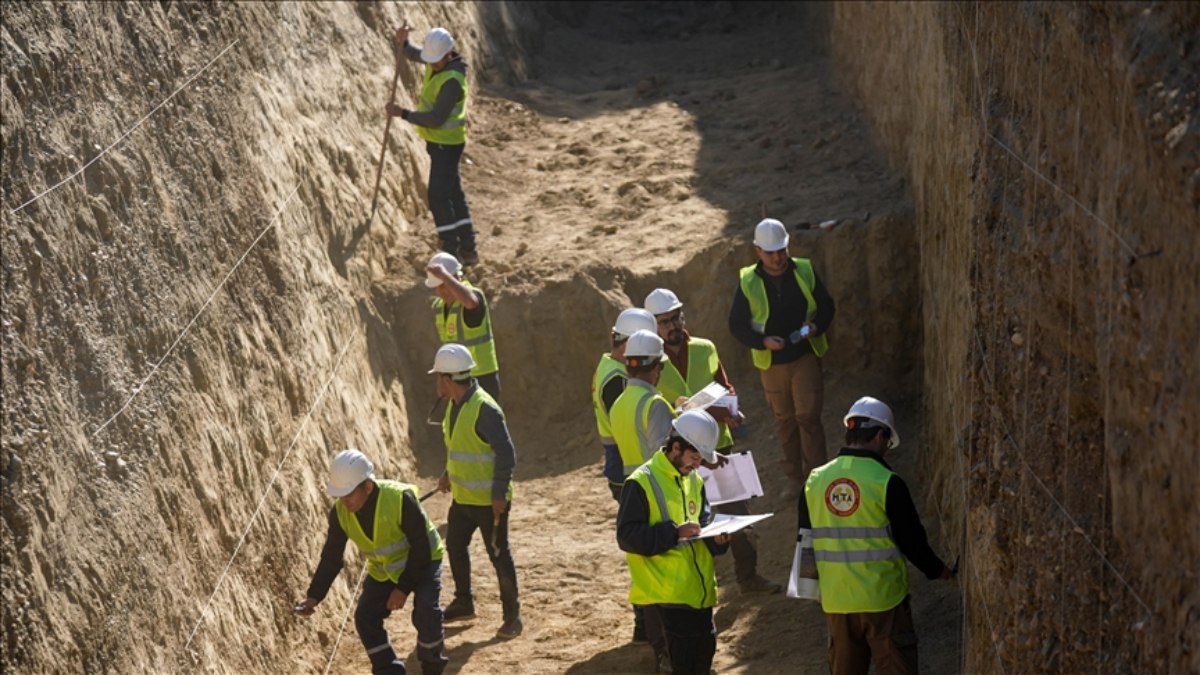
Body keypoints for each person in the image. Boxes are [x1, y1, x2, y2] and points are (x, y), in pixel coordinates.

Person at [799, 397, 955, 675]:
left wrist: (813, 591)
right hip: (883, 601)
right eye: (887, 442)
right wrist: (939, 570)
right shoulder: (887, 481)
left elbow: (805, 541)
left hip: (837, 604)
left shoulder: (814, 480)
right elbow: (912, 541)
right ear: (881, 435)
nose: (886, 449)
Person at [645, 288, 782, 596]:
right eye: (663, 322)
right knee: (689, 516)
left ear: (683, 317)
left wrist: (731, 410)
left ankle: (748, 577)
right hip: (679, 454)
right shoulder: (653, 362)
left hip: (718, 444)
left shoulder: (706, 348)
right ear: (654, 326)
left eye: (674, 319)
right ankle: (700, 584)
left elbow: (724, 386)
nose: (671, 326)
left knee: (737, 512)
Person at [295, 449, 448, 675]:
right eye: (339, 495)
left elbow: (421, 549)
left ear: (367, 487)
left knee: (426, 610)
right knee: (365, 617)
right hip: (384, 570)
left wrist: (402, 589)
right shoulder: (340, 513)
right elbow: (331, 557)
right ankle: (389, 671)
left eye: (348, 494)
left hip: (424, 560)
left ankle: (433, 665)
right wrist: (314, 596)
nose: (343, 501)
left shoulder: (399, 499)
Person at [728, 217, 836, 499]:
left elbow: (826, 306)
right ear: (757, 251)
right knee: (786, 421)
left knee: (808, 417)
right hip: (772, 363)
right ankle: (794, 479)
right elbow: (737, 325)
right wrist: (762, 341)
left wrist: (816, 327)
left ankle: (816, 478)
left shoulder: (804, 270)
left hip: (804, 355)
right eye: (770, 252)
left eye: (781, 251)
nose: (777, 258)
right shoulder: (748, 281)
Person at [617, 410, 732, 675]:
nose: (697, 464)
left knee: (703, 657)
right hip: (666, 595)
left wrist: (718, 540)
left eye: (701, 458)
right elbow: (627, 536)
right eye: (694, 457)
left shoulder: (694, 480)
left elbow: (702, 524)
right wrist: (674, 533)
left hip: (699, 591)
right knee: (682, 665)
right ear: (676, 447)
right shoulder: (640, 482)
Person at [428, 343, 523, 639]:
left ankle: (512, 617)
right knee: (455, 546)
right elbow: (461, 446)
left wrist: (498, 495)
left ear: (446, 378)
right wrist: (447, 474)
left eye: (437, 376)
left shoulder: (485, 409)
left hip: (488, 502)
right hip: (464, 500)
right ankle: (464, 601)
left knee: (499, 555)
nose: (436, 382)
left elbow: (507, 454)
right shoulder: (455, 407)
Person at [609, 328, 677, 657]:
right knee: (668, 573)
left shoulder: (620, 403)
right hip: (658, 494)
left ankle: (657, 648)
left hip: (630, 493)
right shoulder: (654, 403)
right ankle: (669, 649)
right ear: (654, 368)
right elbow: (664, 457)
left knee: (647, 575)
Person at [388, 25, 478, 265]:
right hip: (441, 144)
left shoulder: (452, 81)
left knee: (438, 197)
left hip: (446, 145)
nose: (432, 64)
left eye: (436, 61)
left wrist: (403, 113)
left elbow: (437, 118)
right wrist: (404, 44)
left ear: (448, 55)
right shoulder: (439, 61)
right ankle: (468, 248)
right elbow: (419, 55)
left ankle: (451, 248)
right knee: (453, 193)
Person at [592, 307, 658, 501]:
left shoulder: (608, 365)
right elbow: (630, 423)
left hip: (621, 463)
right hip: (627, 466)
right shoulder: (618, 379)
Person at [425, 252, 501, 402]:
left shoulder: (472, 296)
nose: (441, 291)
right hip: (457, 382)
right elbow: (448, 346)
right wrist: (442, 378)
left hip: (482, 379)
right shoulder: (439, 307)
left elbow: (470, 302)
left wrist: (445, 276)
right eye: (438, 287)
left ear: (456, 278)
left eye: (445, 285)